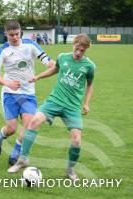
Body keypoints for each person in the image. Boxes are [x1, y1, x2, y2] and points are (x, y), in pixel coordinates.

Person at [8, 34, 96, 181]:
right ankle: (23, 160)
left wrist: (86, 103)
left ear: (86, 49)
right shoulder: (62, 57)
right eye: (77, 48)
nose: (78, 52)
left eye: (82, 50)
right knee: (34, 122)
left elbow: (90, 84)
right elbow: (54, 70)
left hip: (72, 107)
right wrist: (38, 77)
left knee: (76, 141)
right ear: (73, 44)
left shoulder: (89, 66)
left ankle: (70, 170)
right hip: (55, 100)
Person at [0, 20, 55, 165]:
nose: (14, 37)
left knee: (29, 125)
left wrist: (57, 64)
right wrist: (8, 83)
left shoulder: (30, 45)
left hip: (28, 94)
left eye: (17, 34)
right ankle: (0, 136)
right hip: (9, 94)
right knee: (11, 128)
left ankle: (15, 154)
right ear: (5, 34)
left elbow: (48, 61)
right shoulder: (2, 50)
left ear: (21, 32)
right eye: (11, 35)